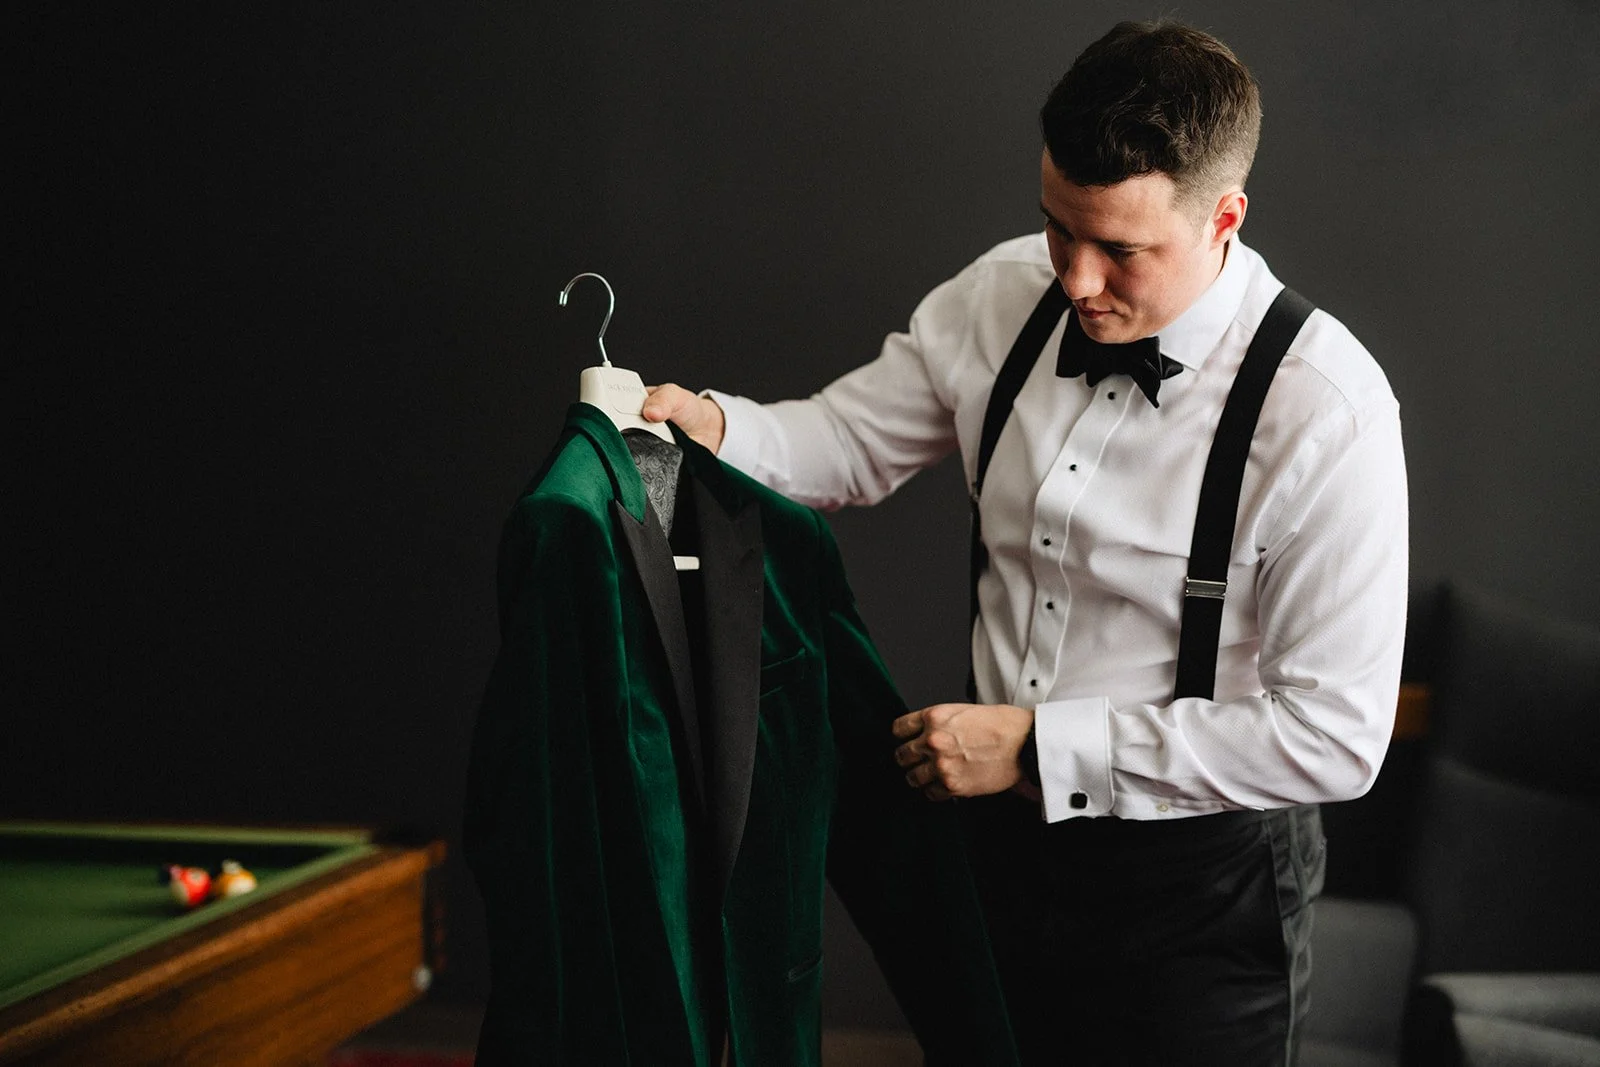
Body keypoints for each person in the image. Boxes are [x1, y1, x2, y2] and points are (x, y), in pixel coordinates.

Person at [643, 19, 1406, 1066]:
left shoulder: (1327, 411)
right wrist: (717, 428)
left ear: (1224, 217)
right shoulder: (1003, 293)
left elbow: (1334, 735)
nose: (1077, 280)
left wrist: (1045, 749)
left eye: (1120, 250)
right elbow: (849, 442)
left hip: (1199, 898)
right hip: (995, 857)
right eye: (1057, 228)